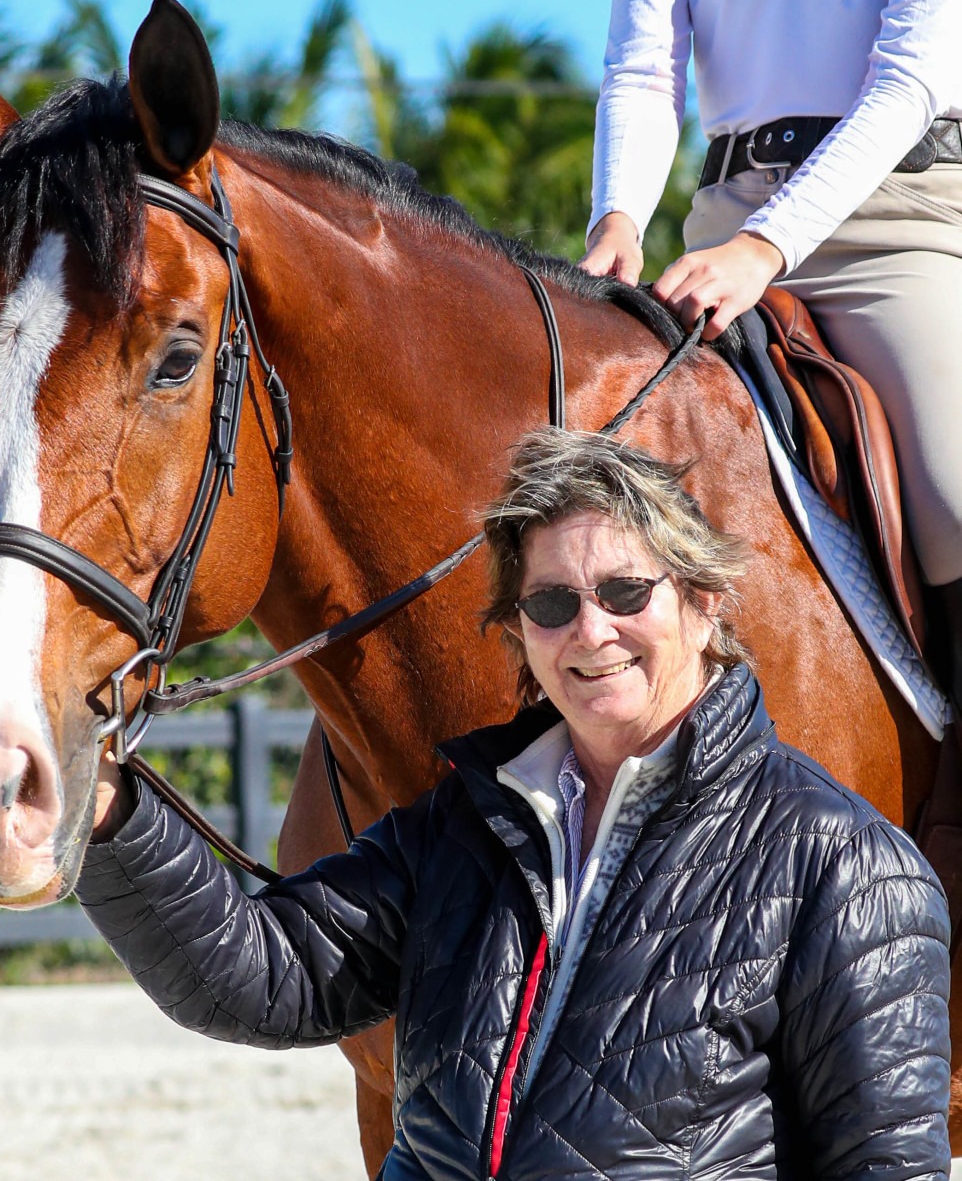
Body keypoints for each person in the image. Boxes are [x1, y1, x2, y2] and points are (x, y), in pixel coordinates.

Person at [78, 428, 950, 1176]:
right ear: (520, 631)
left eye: (626, 591)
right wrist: (108, 812)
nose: (591, 630)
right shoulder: (463, 823)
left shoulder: (845, 866)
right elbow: (268, 978)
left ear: (702, 602)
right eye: (552, 602)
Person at [579, 0, 962, 709]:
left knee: (955, 496)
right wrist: (617, 221)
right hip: (725, 224)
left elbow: (911, 77)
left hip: (894, 222)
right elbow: (643, 70)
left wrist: (764, 248)